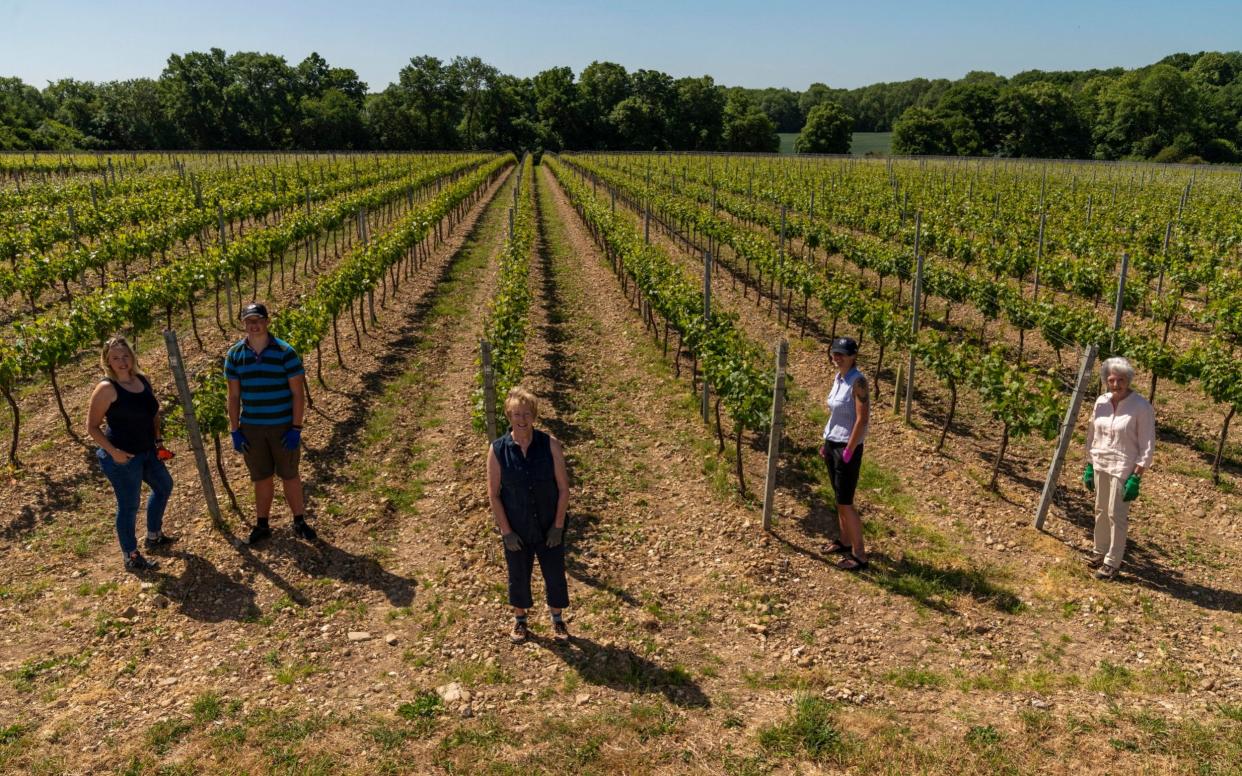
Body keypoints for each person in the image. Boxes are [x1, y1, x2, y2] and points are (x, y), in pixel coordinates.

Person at [225, 302, 315, 545]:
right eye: (249, 321)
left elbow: (298, 393)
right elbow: (233, 396)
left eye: (257, 320)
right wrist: (235, 430)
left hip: (282, 426)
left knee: (290, 475)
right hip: (252, 428)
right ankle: (262, 524)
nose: (253, 325)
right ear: (243, 324)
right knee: (261, 477)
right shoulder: (235, 355)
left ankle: (299, 521)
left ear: (266, 322)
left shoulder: (285, 352)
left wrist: (296, 428)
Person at [486, 387, 570, 643]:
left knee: (554, 573)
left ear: (534, 415)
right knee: (518, 574)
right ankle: (520, 620)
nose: (521, 419)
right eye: (516, 414)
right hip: (517, 526)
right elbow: (494, 495)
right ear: (508, 416)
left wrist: (557, 525)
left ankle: (557, 620)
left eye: (526, 414)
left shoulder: (550, 445)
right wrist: (506, 531)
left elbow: (564, 488)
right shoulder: (498, 450)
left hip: (548, 524)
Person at [86, 336, 174, 572]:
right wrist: (113, 452)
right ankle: (131, 556)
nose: (122, 361)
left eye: (125, 356)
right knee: (129, 505)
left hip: (147, 450)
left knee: (164, 486)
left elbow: (153, 412)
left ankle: (154, 536)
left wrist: (158, 441)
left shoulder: (142, 380)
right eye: (116, 358)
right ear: (108, 361)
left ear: (132, 356)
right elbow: (92, 427)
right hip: (123, 458)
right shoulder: (106, 388)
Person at [1083, 357, 1155, 580]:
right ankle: (1099, 552)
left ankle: (1112, 562)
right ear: (1106, 380)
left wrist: (1137, 476)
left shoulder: (1141, 407)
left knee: (1117, 514)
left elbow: (1147, 444)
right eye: (1111, 380)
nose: (1115, 384)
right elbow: (1093, 434)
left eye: (1120, 380)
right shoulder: (1101, 402)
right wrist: (1089, 463)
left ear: (1128, 380)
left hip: (1124, 467)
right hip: (1101, 462)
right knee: (1101, 509)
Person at [819, 337, 871, 571]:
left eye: (841, 353)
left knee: (846, 501)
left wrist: (849, 450)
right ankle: (844, 541)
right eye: (834, 353)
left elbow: (862, 419)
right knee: (839, 498)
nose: (836, 357)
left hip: (846, 448)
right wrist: (826, 441)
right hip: (833, 443)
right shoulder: (839, 379)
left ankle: (859, 554)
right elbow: (836, 415)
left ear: (853, 356)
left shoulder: (857, 381)